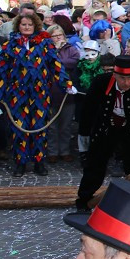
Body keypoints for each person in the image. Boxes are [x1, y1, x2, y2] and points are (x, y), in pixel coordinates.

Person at [0, 13, 72, 176]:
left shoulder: (45, 44)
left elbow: (56, 65)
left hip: (40, 93)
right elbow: (2, 72)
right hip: (17, 94)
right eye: (23, 24)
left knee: (39, 127)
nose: (26, 27)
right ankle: (20, 162)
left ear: (35, 26)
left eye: (29, 25)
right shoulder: (9, 45)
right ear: (18, 26)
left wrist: (66, 84)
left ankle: (39, 162)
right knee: (19, 127)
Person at [75, 56, 130, 211]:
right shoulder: (100, 83)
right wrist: (84, 134)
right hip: (105, 128)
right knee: (95, 164)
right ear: (114, 75)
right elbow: (88, 109)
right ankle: (84, 200)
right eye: (122, 78)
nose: (126, 83)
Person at [45, 24, 81, 164]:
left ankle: (65, 151)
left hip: (68, 94)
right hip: (50, 93)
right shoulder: (47, 50)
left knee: (66, 126)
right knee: (52, 126)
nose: (58, 38)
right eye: (54, 36)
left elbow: (73, 62)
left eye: (60, 35)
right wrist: (57, 54)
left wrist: (58, 60)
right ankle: (53, 151)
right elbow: (48, 64)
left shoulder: (71, 49)